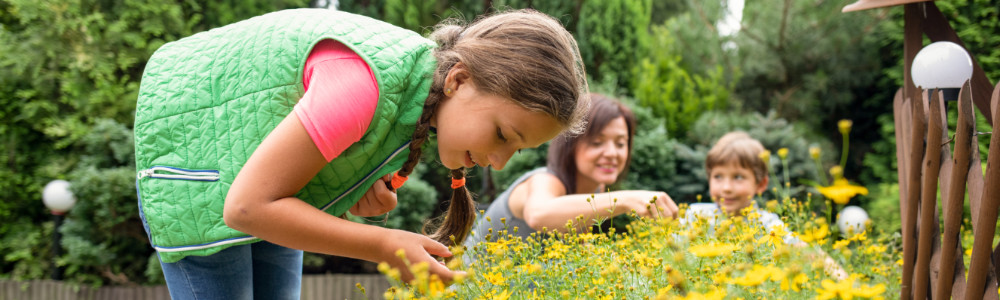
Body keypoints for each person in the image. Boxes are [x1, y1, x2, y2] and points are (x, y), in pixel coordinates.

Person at [133, 8, 590, 299]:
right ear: (458, 80)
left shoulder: (417, 97)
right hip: (195, 158)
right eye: (502, 135)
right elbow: (247, 206)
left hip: (258, 187)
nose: (498, 161)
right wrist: (385, 245)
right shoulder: (362, 88)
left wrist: (353, 187)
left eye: (518, 150)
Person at [464, 94, 678, 249]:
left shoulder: (596, 190)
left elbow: (578, 251)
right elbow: (539, 214)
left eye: (621, 143)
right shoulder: (544, 180)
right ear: (570, 145)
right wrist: (625, 200)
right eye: (597, 142)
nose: (612, 153)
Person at [684, 131, 847, 279]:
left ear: (761, 184)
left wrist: (849, 285)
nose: (726, 188)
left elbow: (805, 249)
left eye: (738, 177)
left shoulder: (767, 223)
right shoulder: (696, 215)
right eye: (718, 176)